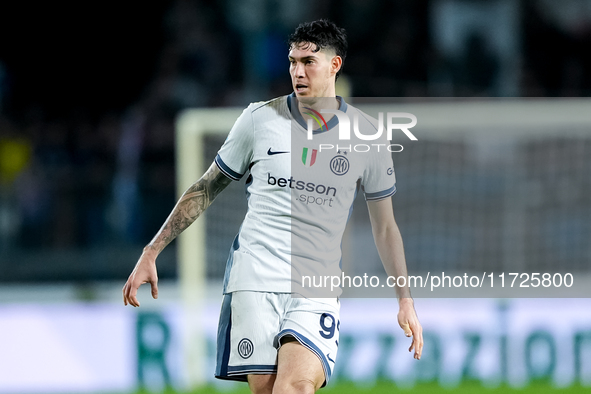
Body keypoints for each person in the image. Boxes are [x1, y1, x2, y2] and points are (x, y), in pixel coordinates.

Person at [123, 19, 423, 394]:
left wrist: (405, 299)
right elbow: (205, 188)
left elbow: (385, 228)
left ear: (335, 65)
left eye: (308, 62)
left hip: (316, 285)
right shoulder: (258, 119)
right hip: (255, 279)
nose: (298, 71)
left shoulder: (368, 137)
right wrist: (152, 250)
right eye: (292, 61)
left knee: (294, 387)